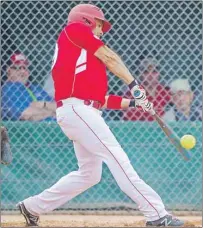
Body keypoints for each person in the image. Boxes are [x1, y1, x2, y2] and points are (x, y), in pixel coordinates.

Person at [17, 4, 184, 227]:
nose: (101, 30)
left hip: (81, 112)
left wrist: (136, 102)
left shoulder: (82, 58)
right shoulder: (75, 30)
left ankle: (31, 206)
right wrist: (134, 84)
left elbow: (101, 99)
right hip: (78, 111)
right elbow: (110, 57)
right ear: (86, 20)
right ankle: (156, 214)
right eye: (99, 24)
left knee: (89, 174)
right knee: (118, 159)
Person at [1, 52, 56, 121]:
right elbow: (26, 115)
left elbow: (60, 107)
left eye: (25, 68)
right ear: (8, 70)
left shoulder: (36, 88)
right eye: (17, 68)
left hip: (54, 128)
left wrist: (43, 104)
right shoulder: (8, 90)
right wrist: (52, 112)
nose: (22, 71)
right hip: (30, 130)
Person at [123, 56, 171, 121]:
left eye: (154, 71)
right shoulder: (132, 93)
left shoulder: (165, 92)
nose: (150, 75)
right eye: (146, 72)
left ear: (158, 73)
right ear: (140, 74)